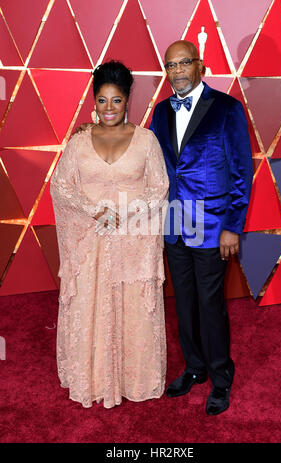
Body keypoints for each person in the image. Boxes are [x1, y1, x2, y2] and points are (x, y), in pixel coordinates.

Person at [50, 60, 169, 409]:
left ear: (128, 99)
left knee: (133, 311)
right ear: (94, 101)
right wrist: (95, 210)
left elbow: (159, 189)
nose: (109, 108)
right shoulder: (79, 142)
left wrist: (127, 213)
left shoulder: (147, 141)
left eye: (116, 100)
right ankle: (93, 377)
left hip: (133, 245)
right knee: (89, 308)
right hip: (90, 245)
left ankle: (134, 377)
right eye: (102, 100)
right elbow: (61, 187)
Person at [149, 40, 253, 415]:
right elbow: (150, 163)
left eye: (183, 63)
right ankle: (194, 368)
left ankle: (221, 378)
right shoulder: (159, 113)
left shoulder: (227, 109)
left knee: (211, 305)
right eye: (170, 65)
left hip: (212, 228)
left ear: (200, 66)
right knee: (185, 302)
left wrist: (232, 227)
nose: (176, 71)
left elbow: (242, 172)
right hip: (173, 226)